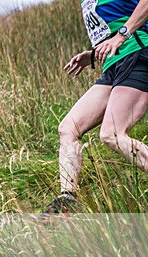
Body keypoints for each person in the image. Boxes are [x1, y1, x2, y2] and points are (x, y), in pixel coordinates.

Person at [44, 0, 148, 214]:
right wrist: (92, 55)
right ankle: (67, 200)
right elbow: (111, 26)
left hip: (138, 55)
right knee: (68, 128)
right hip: (112, 66)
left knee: (112, 135)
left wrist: (121, 35)